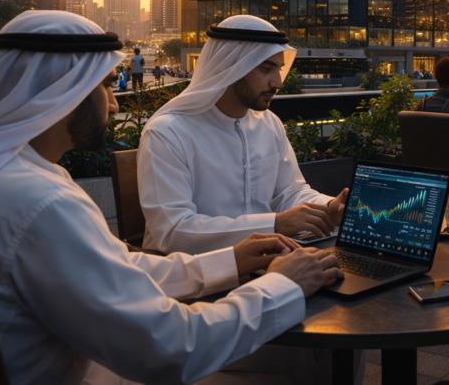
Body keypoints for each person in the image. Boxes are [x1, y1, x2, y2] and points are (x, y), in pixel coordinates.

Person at [0, 10, 343, 385]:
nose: (115, 103)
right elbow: (171, 348)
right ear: (61, 90)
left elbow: (114, 265)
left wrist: (230, 261)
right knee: (301, 358)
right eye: (106, 85)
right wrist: (282, 285)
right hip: (95, 369)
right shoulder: (40, 202)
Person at [138, 15, 349, 254]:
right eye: (266, 69)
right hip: (195, 270)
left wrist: (328, 207)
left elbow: (289, 193)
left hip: (268, 261)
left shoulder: (269, 123)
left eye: (278, 70)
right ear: (231, 67)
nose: (278, 83)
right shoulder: (168, 133)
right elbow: (174, 231)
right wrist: (274, 224)